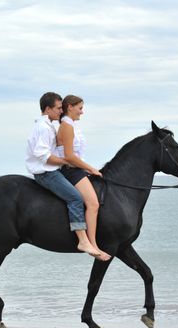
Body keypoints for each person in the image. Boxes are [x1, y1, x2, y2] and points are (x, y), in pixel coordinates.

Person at [25, 92, 108, 261]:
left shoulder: (51, 125)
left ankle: (90, 242)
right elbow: (43, 155)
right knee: (75, 198)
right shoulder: (45, 127)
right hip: (46, 172)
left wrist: (71, 162)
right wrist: (71, 163)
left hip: (54, 169)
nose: (60, 111)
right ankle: (83, 241)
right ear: (47, 109)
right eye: (57, 108)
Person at [55, 95, 111, 261]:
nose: (82, 112)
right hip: (71, 171)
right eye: (80, 108)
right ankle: (91, 245)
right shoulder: (66, 126)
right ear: (70, 107)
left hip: (77, 169)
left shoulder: (71, 125)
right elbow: (69, 157)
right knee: (93, 204)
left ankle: (92, 243)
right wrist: (90, 168)